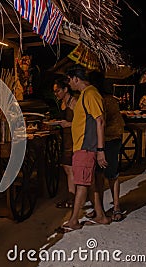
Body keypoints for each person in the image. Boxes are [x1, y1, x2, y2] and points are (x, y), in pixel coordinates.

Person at [56, 65, 110, 233]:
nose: (69, 84)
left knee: (81, 184)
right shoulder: (85, 95)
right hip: (83, 146)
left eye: (70, 80)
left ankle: (73, 221)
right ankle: (100, 216)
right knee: (89, 182)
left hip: (86, 147)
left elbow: (99, 121)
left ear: (76, 79)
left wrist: (100, 150)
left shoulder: (91, 94)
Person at [89, 70, 125, 222]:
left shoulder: (104, 100)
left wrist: (101, 149)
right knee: (99, 175)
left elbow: (101, 122)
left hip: (110, 139)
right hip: (107, 138)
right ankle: (100, 209)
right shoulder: (105, 98)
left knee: (111, 174)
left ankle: (116, 207)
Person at [53, 77, 77, 209]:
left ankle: (73, 198)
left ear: (66, 89)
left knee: (70, 169)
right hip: (66, 139)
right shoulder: (62, 103)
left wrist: (68, 124)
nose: (56, 93)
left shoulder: (74, 102)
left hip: (74, 139)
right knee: (67, 168)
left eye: (58, 91)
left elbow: (82, 123)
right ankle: (71, 197)